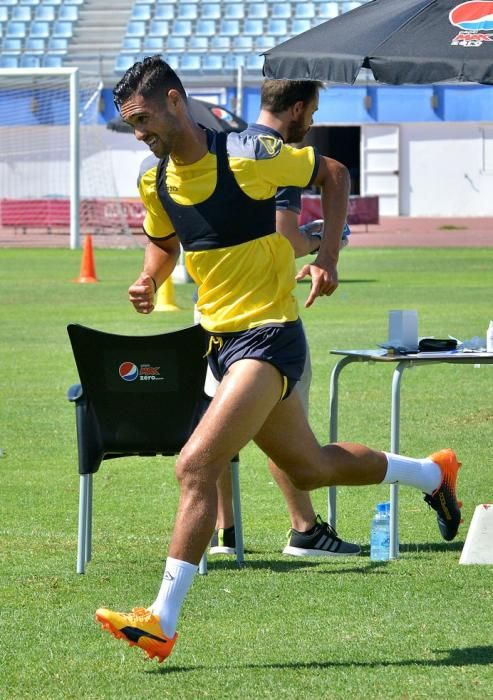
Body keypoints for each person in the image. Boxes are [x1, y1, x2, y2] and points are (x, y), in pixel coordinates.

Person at [95, 57, 463, 664]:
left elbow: (335, 173)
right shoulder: (154, 181)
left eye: (144, 120)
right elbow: (163, 243)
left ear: (174, 100)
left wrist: (329, 259)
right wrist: (146, 277)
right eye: (131, 126)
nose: (141, 134)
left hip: (269, 338)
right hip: (221, 342)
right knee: (311, 466)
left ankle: (161, 619)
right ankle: (431, 474)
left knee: (195, 466)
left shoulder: (247, 155)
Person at [210, 79, 358, 559]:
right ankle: (305, 528)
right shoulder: (273, 154)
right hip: (267, 319)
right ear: (296, 107)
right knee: (289, 433)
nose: (312, 123)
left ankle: (226, 534)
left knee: (217, 435)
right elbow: (286, 237)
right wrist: (323, 243)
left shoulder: (225, 145)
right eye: (312, 112)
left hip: (216, 313)